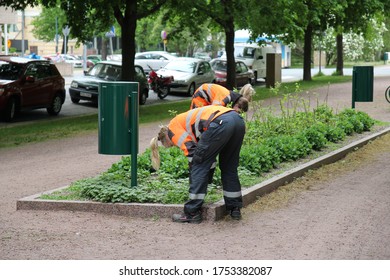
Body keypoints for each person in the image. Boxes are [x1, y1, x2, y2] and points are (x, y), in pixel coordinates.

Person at [150, 101, 248, 224]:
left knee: (198, 163)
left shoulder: (173, 130)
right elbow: (208, 155)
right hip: (237, 120)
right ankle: (235, 209)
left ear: (167, 139)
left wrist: (198, 175)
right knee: (229, 166)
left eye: (172, 145)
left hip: (220, 123)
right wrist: (207, 176)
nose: (175, 145)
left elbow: (193, 155)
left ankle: (192, 212)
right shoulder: (184, 124)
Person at [189, 83, 255, 110]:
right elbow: (214, 111)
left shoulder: (231, 97)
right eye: (237, 111)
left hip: (205, 98)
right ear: (237, 106)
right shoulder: (225, 98)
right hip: (200, 98)